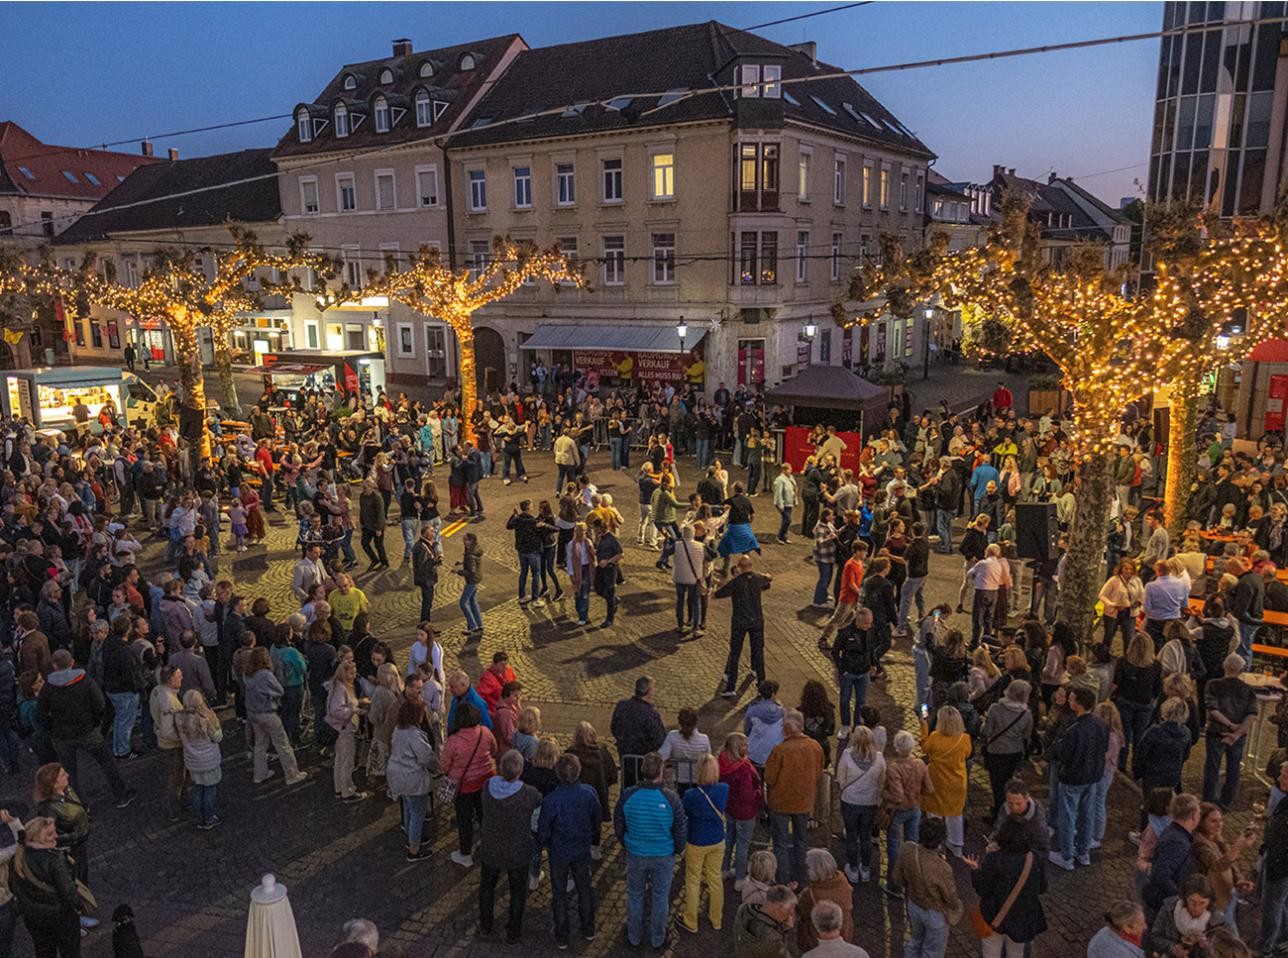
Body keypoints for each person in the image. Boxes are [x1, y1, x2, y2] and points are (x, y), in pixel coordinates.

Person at [36, 649, 134, 809]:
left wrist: (52, 728)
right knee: (107, 763)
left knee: (69, 772)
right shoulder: (85, 681)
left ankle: (80, 805)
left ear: (54, 666)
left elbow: (40, 714)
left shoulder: (48, 687)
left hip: (62, 736)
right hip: (88, 730)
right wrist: (95, 722)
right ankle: (121, 794)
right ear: (72, 662)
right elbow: (100, 704)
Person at [615, 751, 686, 950]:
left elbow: (618, 823)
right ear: (660, 772)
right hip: (663, 854)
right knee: (660, 896)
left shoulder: (628, 794)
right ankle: (658, 937)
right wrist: (677, 849)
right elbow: (680, 828)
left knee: (635, 894)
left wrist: (626, 843)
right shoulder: (671, 798)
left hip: (636, 853)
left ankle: (634, 936)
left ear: (642, 770)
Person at [538, 753, 602, 949]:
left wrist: (546, 843)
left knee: (559, 892)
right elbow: (596, 819)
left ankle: (562, 934)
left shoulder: (552, 800)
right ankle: (588, 928)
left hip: (559, 851)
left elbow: (543, 829)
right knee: (585, 888)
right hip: (581, 848)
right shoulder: (589, 793)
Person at [479, 748, 541, 941]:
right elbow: (539, 802)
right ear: (520, 770)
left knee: (487, 887)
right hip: (517, 851)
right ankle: (513, 931)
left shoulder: (488, 787)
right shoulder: (528, 793)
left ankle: (485, 925)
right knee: (517, 891)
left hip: (491, 847)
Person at [964, 818, 1047, 958]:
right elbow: (1042, 888)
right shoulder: (1035, 859)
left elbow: (983, 889)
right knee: (1016, 953)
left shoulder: (994, 859)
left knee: (991, 953)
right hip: (1023, 919)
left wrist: (975, 869)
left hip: (995, 916)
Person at [1046, 686, 1108, 870]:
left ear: (1079, 704)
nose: (1069, 701)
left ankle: (1066, 856)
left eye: (1072, 699)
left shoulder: (1074, 730)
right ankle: (1083, 852)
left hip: (1073, 777)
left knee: (1068, 815)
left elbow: (1065, 755)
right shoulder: (1101, 725)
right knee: (1087, 814)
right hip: (1092, 776)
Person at [764, 709, 824, 888]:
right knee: (801, 841)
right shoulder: (815, 747)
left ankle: (783, 880)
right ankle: (802, 879)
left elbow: (769, 778)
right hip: (804, 801)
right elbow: (819, 773)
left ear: (787, 729)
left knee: (781, 843)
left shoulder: (780, 750)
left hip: (780, 802)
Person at [10, 815, 83, 958]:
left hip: (33, 918)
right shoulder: (54, 859)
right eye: (49, 834)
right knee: (70, 953)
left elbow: (13, 887)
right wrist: (79, 906)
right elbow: (68, 891)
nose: (55, 836)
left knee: (44, 952)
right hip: (61, 916)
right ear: (36, 838)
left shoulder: (17, 858)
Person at [440, 701, 496, 868]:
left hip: (464, 786)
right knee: (484, 815)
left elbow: (444, 765)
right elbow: (494, 749)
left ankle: (465, 854)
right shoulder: (485, 733)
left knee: (464, 820)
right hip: (485, 781)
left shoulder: (454, 740)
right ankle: (488, 846)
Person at [244, 647, 307, 788]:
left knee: (260, 744)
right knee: (283, 744)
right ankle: (292, 774)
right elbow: (279, 690)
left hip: (253, 713)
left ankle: (259, 774)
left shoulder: (248, 674)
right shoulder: (266, 675)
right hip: (268, 712)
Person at [1202, 653, 1256, 809]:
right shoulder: (1247, 689)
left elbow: (1213, 710)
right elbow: (1252, 714)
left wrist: (1230, 726)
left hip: (1216, 731)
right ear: (1241, 670)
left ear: (1225, 666)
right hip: (1238, 735)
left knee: (1212, 767)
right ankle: (1226, 801)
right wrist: (1237, 733)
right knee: (1233, 768)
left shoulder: (1213, 684)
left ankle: (1208, 801)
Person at [715, 554, 772, 697]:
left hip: (740, 622)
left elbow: (718, 594)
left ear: (739, 567)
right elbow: (768, 581)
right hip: (757, 621)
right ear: (751, 566)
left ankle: (731, 687)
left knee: (735, 653)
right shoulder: (758, 578)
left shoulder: (735, 583)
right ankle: (761, 685)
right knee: (758, 652)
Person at [1191, 802, 1256, 927]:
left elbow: (1230, 860)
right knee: (1228, 934)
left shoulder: (1215, 836)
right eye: (1213, 821)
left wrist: (1239, 879)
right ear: (1201, 822)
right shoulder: (1199, 844)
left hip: (1227, 893)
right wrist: (1238, 846)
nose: (1219, 825)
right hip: (1213, 900)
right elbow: (1217, 866)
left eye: (1221, 820)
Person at [388, 699, 437, 863]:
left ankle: (410, 839)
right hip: (412, 778)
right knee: (418, 813)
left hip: (398, 776)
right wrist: (437, 767)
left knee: (409, 808)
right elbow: (425, 757)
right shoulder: (414, 735)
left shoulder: (398, 730)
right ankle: (414, 849)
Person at [920, 705, 971, 857]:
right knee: (955, 814)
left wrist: (924, 728)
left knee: (934, 813)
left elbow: (925, 748)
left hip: (938, 780)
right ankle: (956, 845)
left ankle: (936, 843)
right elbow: (967, 755)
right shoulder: (965, 739)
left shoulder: (935, 737)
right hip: (957, 782)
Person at [1143, 793, 1202, 923]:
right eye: (1199, 813)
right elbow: (1160, 874)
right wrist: (1180, 898)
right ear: (1193, 816)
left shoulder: (1174, 832)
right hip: (1163, 903)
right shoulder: (1178, 842)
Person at [836, 725, 885, 884]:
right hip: (870, 802)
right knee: (865, 836)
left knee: (852, 835)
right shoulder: (879, 758)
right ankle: (865, 869)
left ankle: (853, 868)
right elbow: (881, 781)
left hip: (850, 800)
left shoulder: (847, 755)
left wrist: (846, 790)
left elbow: (841, 778)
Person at [980, 681, 1033, 818]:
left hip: (996, 751)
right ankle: (1004, 808)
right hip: (1014, 752)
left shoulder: (995, 708)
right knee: (1008, 780)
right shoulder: (1026, 713)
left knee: (997, 784)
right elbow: (1027, 735)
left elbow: (987, 732)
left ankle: (999, 812)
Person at [565, 722, 617, 861]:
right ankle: (595, 847)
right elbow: (612, 774)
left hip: (575, 796)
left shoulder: (570, 754)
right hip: (598, 794)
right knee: (596, 822)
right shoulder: (602, 752)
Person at [1146, 874, 1230, 958]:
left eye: (1202, 903)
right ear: (1184, 898)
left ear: (1209, 901)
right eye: (1192, 902)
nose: (1196, 908)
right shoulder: (1169, 908)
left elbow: (1229, 950)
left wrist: (1207, 946)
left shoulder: (1218, 921)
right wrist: (1172, 947)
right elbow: (1155, 936)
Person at [174, 689, 223, 830]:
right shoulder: (206, 718)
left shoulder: (180, 719)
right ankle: (209, 818)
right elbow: (217, 737)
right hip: (209, 761)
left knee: (197, 789)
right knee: (209, 790)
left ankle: (199, 818)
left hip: (192, 761)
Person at [719, 732, 761, 888]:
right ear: (738, 748)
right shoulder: (743, 768)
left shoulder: (722, 763)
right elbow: (747, 794)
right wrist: (758, 795)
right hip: (744, 812)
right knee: (743, 844)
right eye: (744, 744)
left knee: (729, 839)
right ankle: (740, 876)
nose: (747, 747)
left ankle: (724, 869)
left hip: (730, 809)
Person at [327, 659, 370, 803]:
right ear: (344, 673)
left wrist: (359, 702)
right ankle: (348, 791)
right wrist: (355, 710)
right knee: (347, 761)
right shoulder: (341, 688)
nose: (354, 676)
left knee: (340, 759)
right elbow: (337, 710)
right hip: (345, 729)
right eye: (351, 673)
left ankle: (339, 788)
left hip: (340, 729)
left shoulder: (338, 686)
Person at [611, 676, 665, 789]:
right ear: (649, 691)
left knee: (626, 787)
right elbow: (659, 739)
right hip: (642, 761)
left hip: (625, 756)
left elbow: (614, 727)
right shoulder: (651, 714)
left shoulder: (622, 705)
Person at [795, 848, 853, 953]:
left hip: (818, 938)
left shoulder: (811, 894)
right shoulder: (843, 881)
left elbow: (801, 910)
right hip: (844, 931)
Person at [1259, 758, 1288, 953]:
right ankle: (1283, 936)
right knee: (1280, 901)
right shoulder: (1285, 799)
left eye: (1284, 776)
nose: (1279, 778)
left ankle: (1267, 947)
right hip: (1277, 859)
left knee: (1272, 905)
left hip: (1280, 864)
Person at [733, 883, 797, 958]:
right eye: (790, 911)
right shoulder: (772, 940)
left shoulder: (744, 909)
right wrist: (785, 930)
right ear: (779, 907)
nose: (790, 917)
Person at [411, 523, 441, 623]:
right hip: (426, 579)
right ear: (426, 534)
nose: (434, 533)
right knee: (427, 603)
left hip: (427, 579)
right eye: (432, 532)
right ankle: (425, 624)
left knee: (428, 603)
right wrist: (435, 560)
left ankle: (426, 624)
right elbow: (423, 566)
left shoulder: (425, 544)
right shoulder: (422, 547)